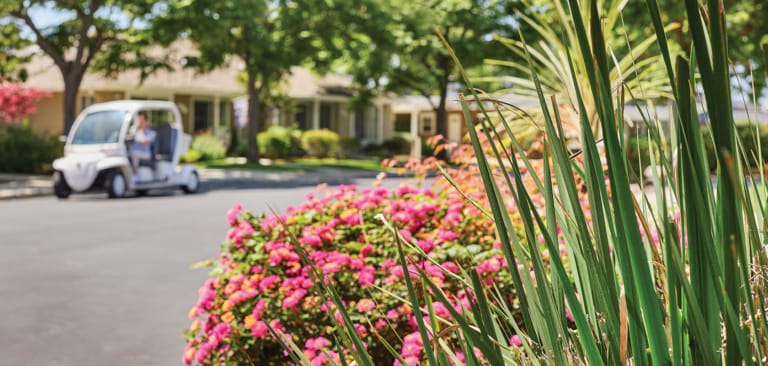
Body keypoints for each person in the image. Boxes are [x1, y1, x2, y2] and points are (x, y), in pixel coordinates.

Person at [129, 111, 156, 178]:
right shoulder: (135, 130)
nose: (140, 123)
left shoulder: (151, 133)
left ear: (146, 122)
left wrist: (137, 138)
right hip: (134, 153)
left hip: (146, 154)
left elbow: (145, 142)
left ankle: (134, 175)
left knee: (135, 154)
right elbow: (130, 137)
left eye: (142, 121)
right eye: (139, 120)